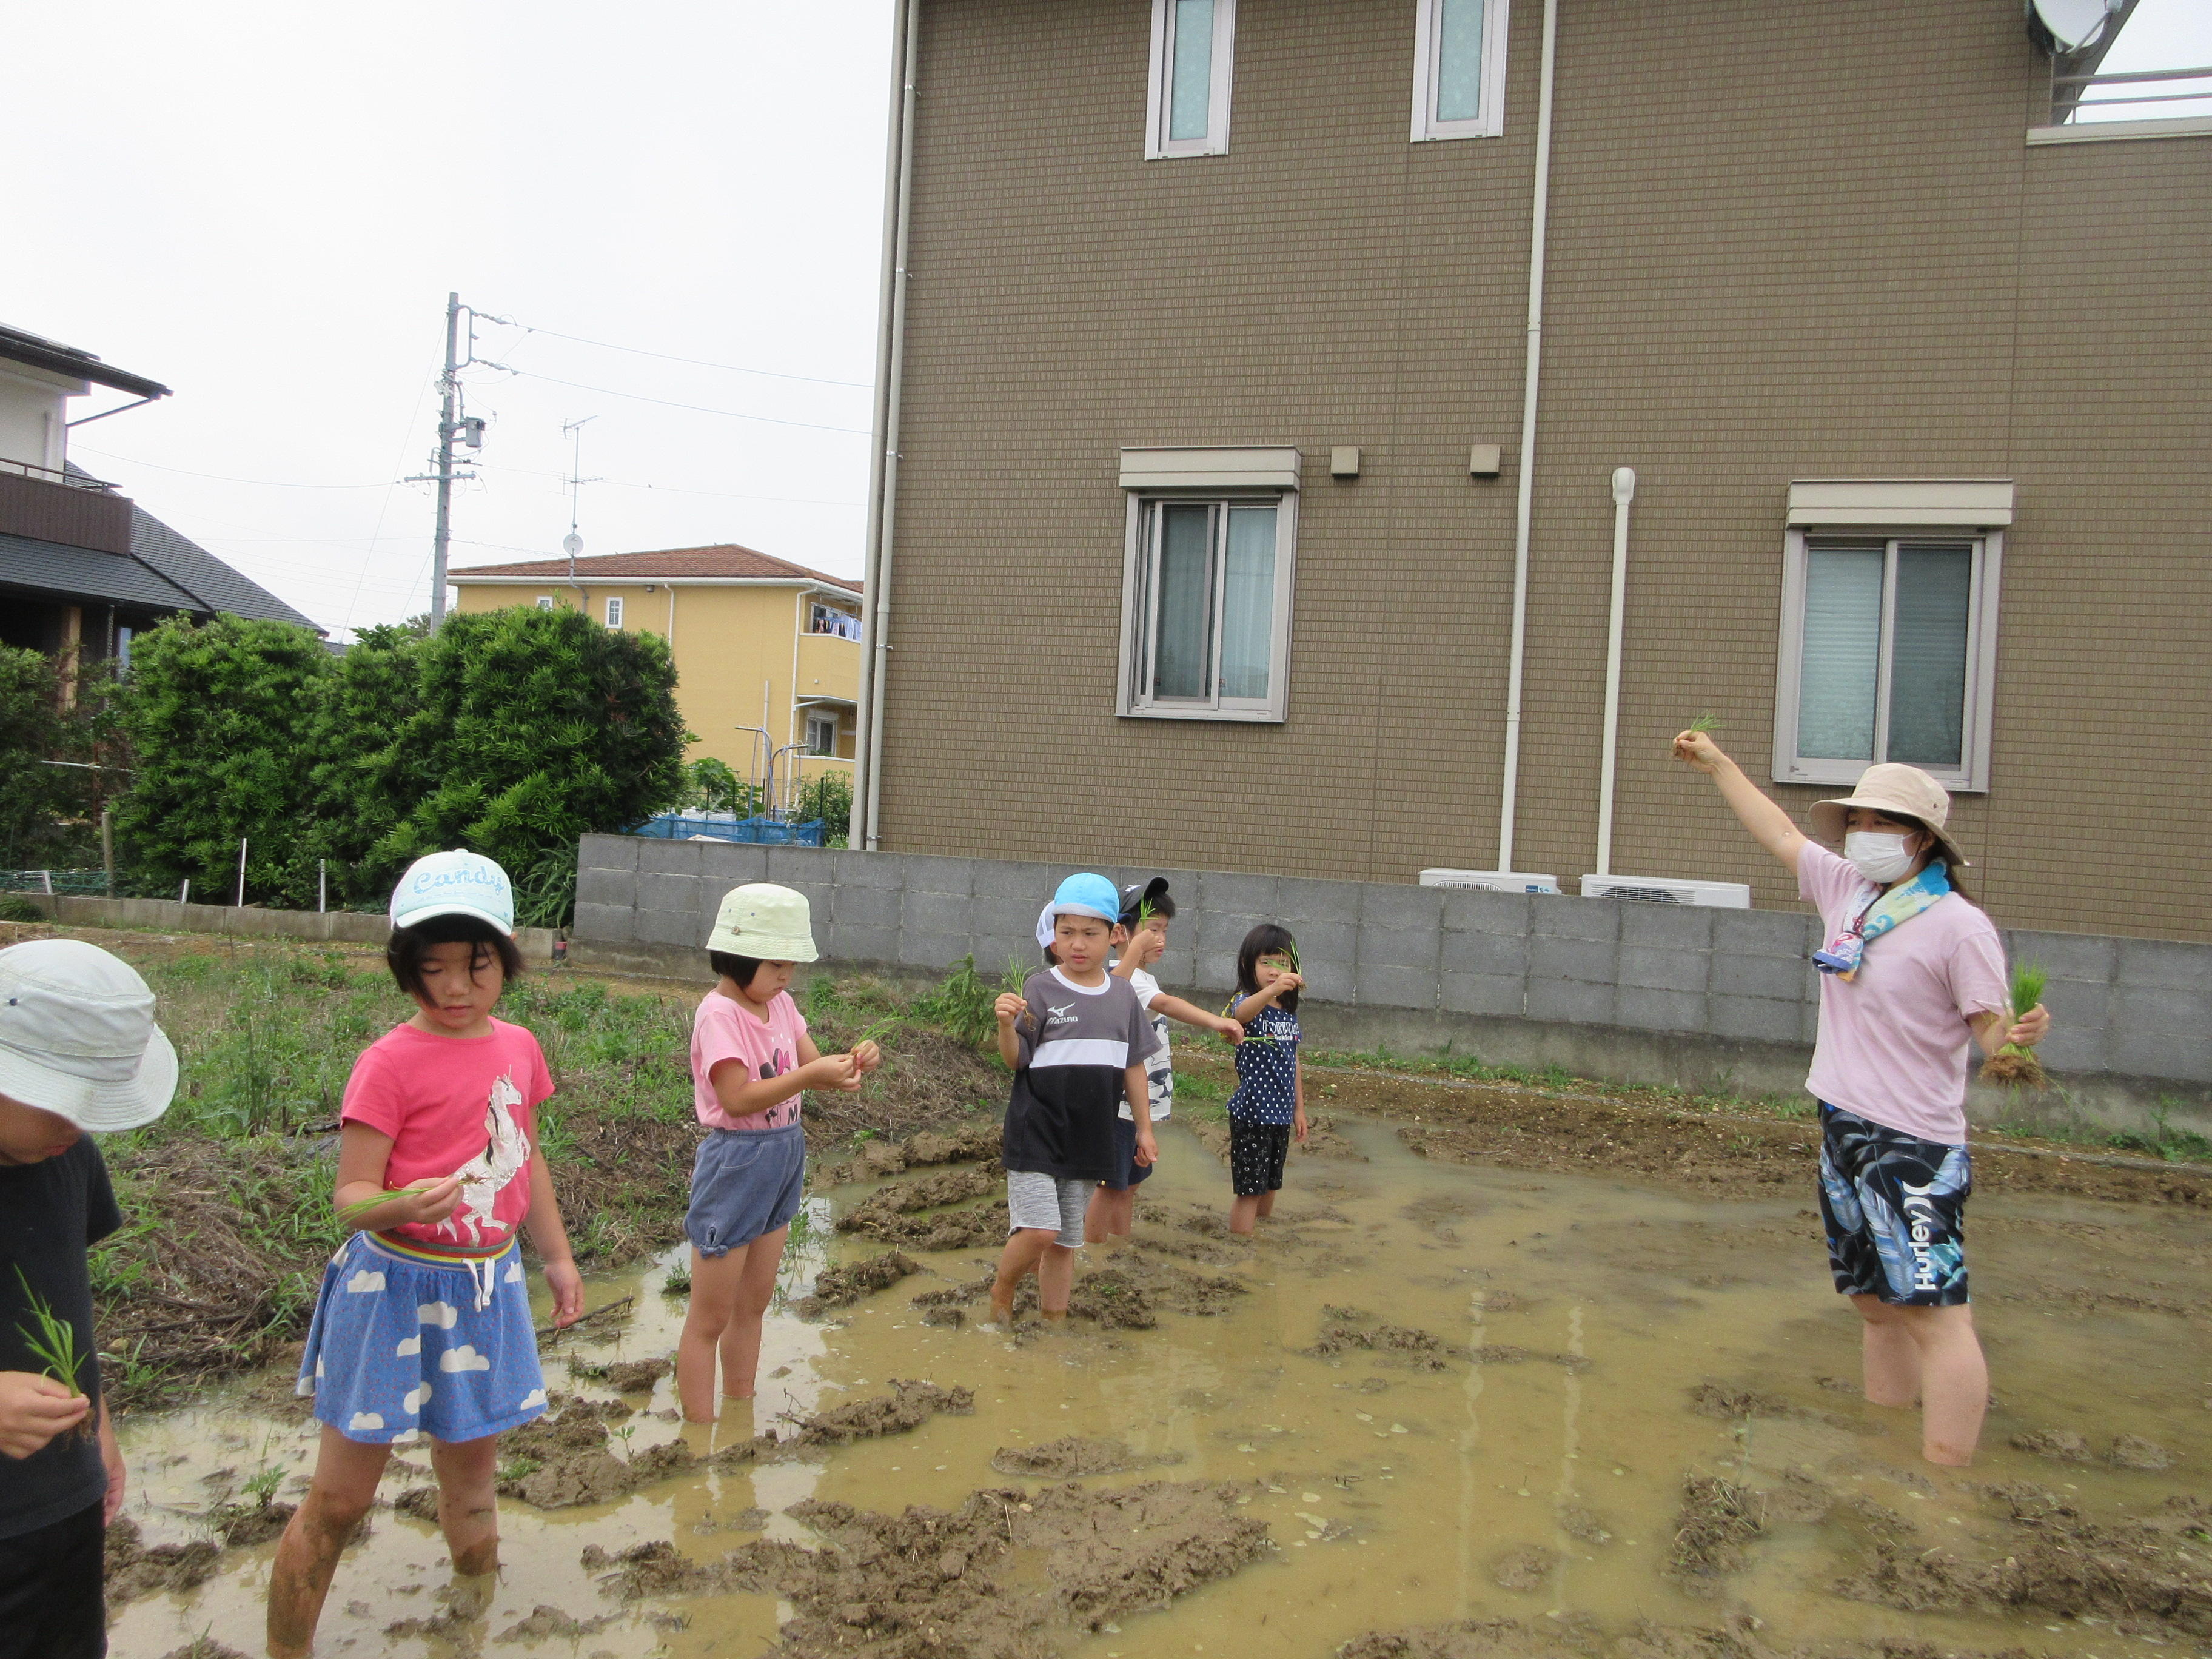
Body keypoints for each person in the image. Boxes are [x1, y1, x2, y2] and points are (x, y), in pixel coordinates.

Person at [1672, 735, 2049, 1466]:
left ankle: (1946, 1488)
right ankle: (1884, 1446)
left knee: (1934, 1313)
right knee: (1875, 1306)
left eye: (1884, 823)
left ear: (1924, 839)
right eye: (1859, 821)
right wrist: (1719, 764)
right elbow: (1778, 831)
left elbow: (1992, 1036)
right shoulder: (1849, 890)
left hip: (1913, 1144)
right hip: (1842, 1123)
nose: (1866, 835)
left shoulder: (1958, 926)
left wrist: (2023, 1036)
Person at [269, 850, 584, 1658]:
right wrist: (401, 1204)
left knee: (475, 1488)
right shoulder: (387, 1063)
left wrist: (555, 1257)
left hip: (486, 1287)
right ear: (404, 969)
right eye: (432, 969)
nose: (453, 988)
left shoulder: (519, 1049)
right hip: (392, 1288)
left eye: (475, 967)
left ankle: (470, 1623)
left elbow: (529, 1161)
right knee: (339, 1500)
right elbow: (351, 1197)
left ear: (506, 961)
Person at [0, 939, 175, 1659]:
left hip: (61, 1503)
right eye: (58, 1100)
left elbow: (61, 1299)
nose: (76, 1125)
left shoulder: (68, 1155)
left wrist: (98, 1422)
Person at [677, 883, 878, 1422]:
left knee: (754, 1303)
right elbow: (738, 1096)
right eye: (775, 963)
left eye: (791, 963)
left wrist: (851, 1063)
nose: (786, 975)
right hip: (737, 1162)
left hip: (783, 1156)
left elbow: (818, 1068)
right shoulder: (719, 1014)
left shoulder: (781, 1004)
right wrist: (810, 1075)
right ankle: (699, 1434)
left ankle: (738, 1407)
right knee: (709, 1316)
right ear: (737, 958)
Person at [990, 873, 1158, 1324]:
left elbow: (1134, 1066)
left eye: (1090, 933)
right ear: (1054, 936)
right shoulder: (1041, 989)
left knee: (1065, 1241)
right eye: (1067, 933)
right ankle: (1002, 1290)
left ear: (1115, 936)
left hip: (1091, 1135)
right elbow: (1016, 1060)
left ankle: (1054, 1321)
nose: (1078, 944)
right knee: (1042, 1230)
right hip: (1038, 1131)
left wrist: (1143, 1127)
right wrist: (1007, 1026)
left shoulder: (1123, 996)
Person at [1087, 877, 1245, 1244]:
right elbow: (1162, 1003)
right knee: (1111, 1186)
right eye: (1151, 929)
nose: (1159, 939)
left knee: (1130, 1184)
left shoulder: (1140, 977)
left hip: (1138, 1107)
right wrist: (1217, 1020)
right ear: (1119, 933)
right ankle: (1091, 1251)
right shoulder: (1119, 977)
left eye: (1164, 931)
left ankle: (1118, 1247)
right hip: (1119, 1106)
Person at [1224, 923, 1309, 1235]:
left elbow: (1294, 1061)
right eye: (1267, 962)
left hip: (1281, 1115)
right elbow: (1239, 1016)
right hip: (1253, 1113)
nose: (1275, 971)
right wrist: (1271, 990)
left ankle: (1263, 1241)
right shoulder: (1247, 1001)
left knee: (1272, 1183)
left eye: (1282, 963)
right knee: (1249, 1190)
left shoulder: (1287, 1012)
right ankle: (1241, 1247)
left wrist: (1299, 1109)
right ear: (1249, 965)